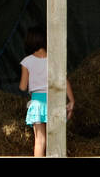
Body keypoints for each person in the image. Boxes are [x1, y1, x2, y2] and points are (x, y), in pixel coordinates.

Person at [20, 25, 75, 157]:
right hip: (54, 102)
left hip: (37, 104)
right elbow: (64, 80)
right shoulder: (54, 60)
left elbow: (23, 86)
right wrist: (72, 100)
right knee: (57, 141)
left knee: (40, 141)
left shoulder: (26, 62)